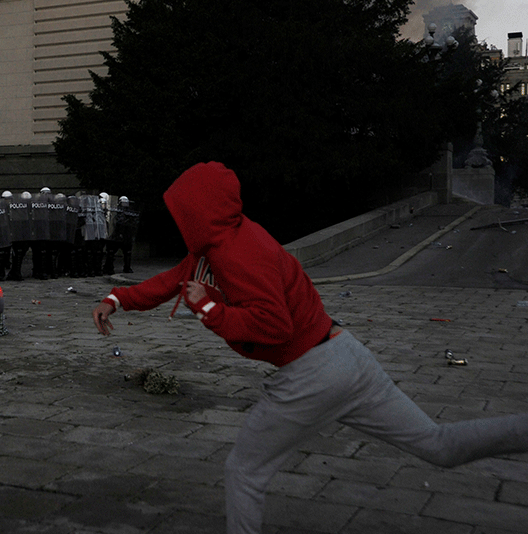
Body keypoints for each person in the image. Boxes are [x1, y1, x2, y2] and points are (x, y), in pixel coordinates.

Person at [91, 161, 528, 534]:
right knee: (439, 445)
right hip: (347, 356)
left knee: (243, 472)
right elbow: (171, 281)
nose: (176, 218)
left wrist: (209, 309)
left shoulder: (239, 252)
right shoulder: (214, 244)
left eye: (181, 210)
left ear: (198, 211)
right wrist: (117, 300)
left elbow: (274, 326)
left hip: (311, 372)